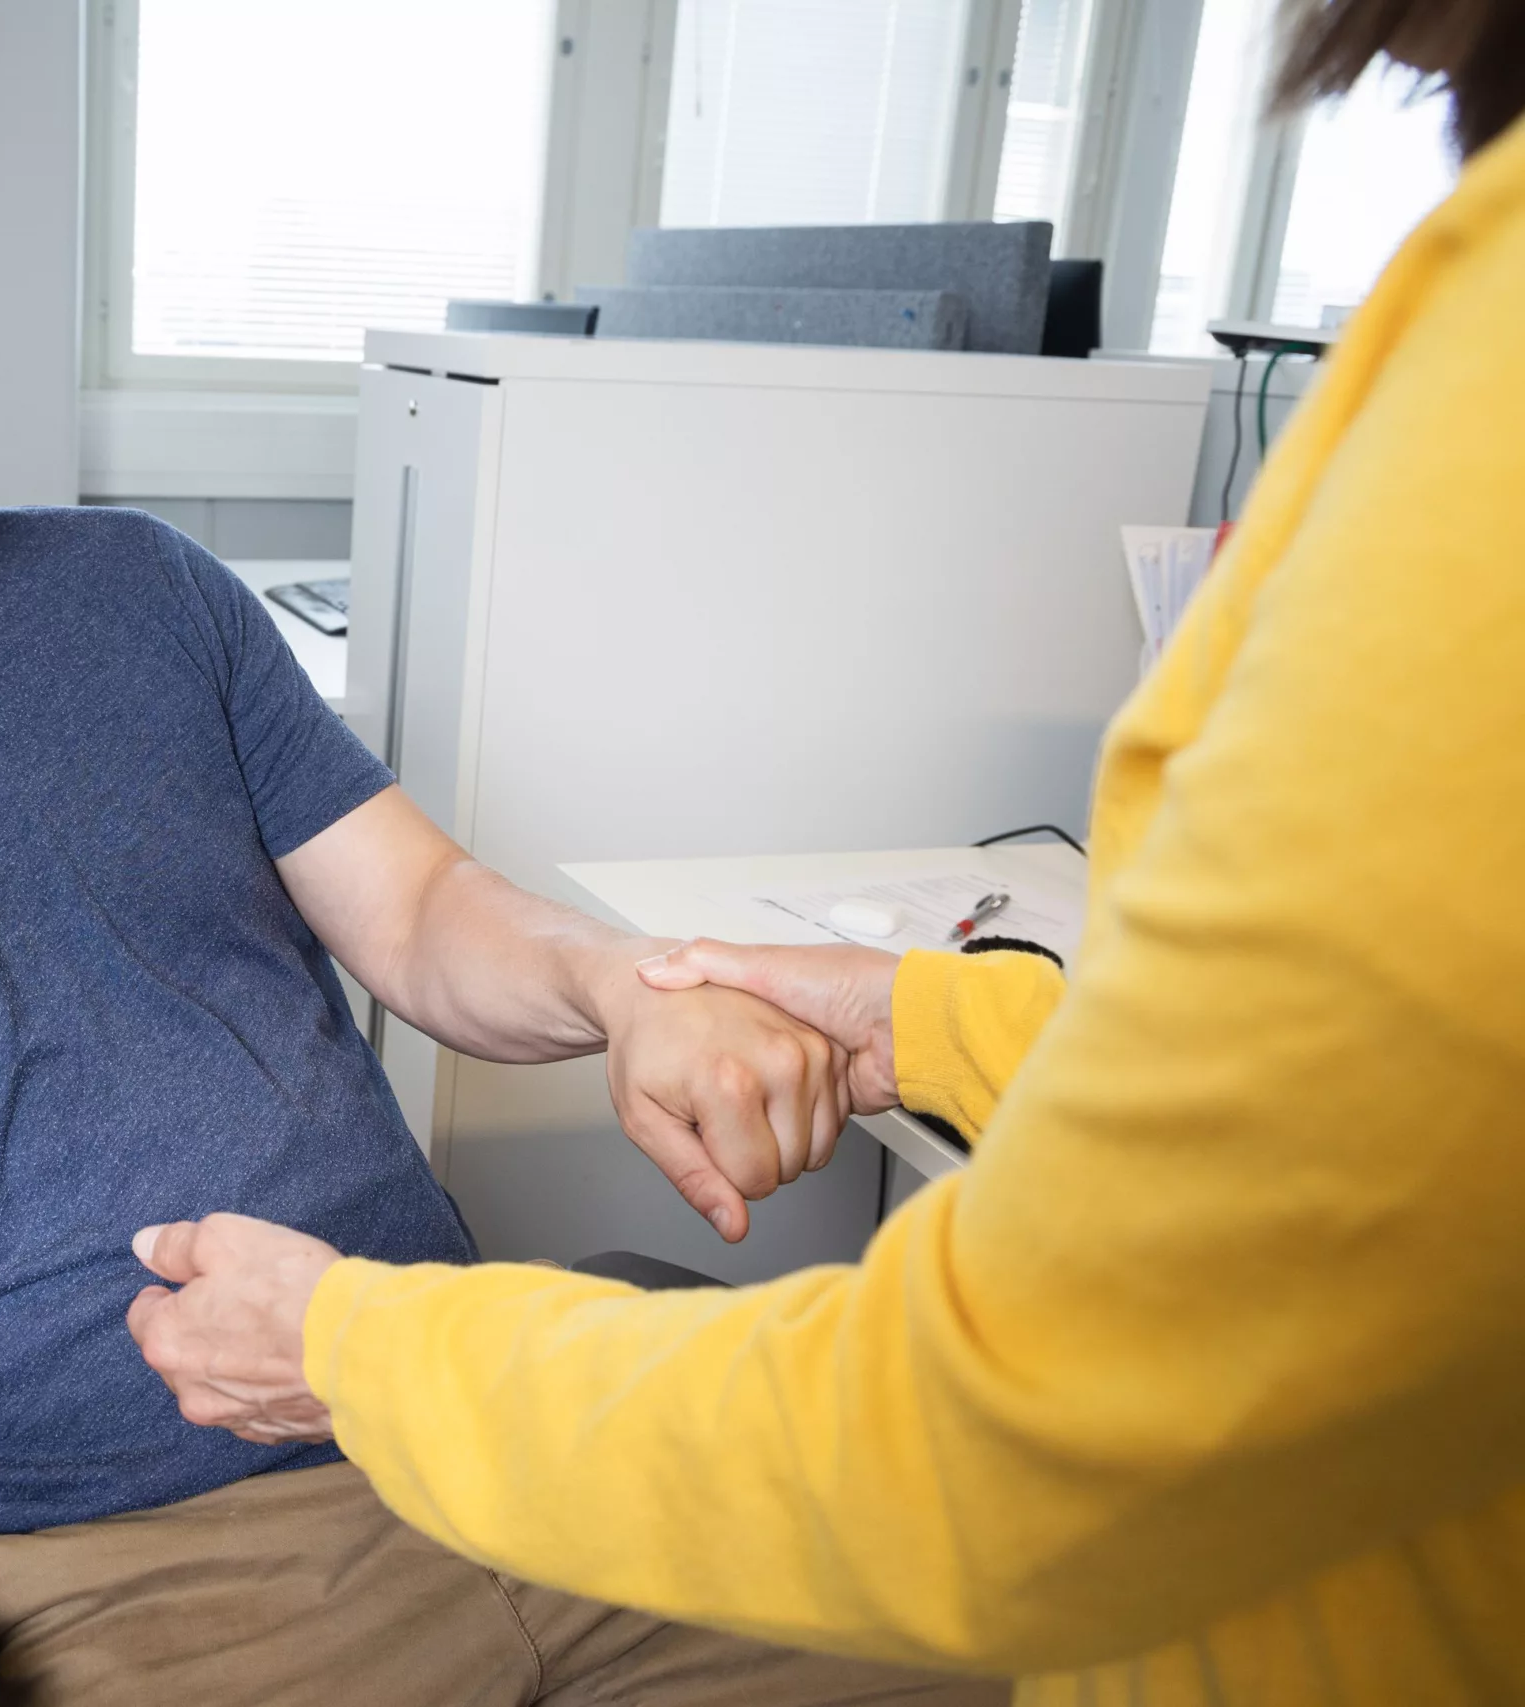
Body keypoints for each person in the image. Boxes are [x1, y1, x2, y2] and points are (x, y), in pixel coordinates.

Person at [0, 46, 997, 1707]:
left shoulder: (131, 594)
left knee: (1078, 1635)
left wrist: (626, 984)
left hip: (486, 1417)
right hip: (145, 1585)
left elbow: (419, 915)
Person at [127, 2, 1525, 1702]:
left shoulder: (1487, 405)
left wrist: (356, 1347)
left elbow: (991, 1438)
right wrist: (929, 1021)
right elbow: (1384, 1121)